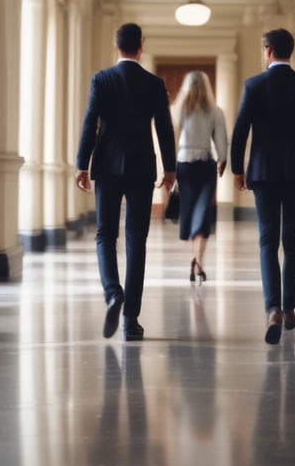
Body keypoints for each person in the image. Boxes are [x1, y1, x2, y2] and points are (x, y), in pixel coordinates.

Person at [75, 23, 176, 341]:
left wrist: (82, 164)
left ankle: (112, 293)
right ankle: (131, 320)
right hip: (142, 167)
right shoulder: (153, 83)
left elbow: (91, 121)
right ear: (141, 46)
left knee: (105, 234)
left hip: (106, 165)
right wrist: (170, 169)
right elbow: (164, 128)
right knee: (137, 240)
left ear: (116, 45)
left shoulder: (102, 79)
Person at [230, 28, 295, 345]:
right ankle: (289, 308)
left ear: (269, 50)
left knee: (267, 240)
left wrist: (237, 169)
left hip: (263, 172)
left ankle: (272, 307)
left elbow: (240, 130)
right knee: (293, 241)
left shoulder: (254, 85)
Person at [172, 70, 228, 283]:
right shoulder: (215, 111)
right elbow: (221, 140)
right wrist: (222, 160)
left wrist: (170, 167)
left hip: (184, 165)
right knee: (202, 213)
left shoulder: (179, 110)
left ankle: (193, 257)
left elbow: (173, 139)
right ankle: (199, 259)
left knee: (188, 210)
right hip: (205, 164)